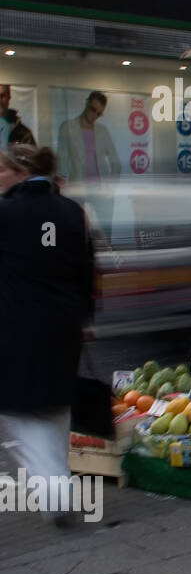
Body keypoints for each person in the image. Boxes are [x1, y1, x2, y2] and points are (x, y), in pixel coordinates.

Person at [0, 144, 96, 525]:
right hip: (64, 324)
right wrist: (86, 317)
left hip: (17, 325)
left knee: (22, 411)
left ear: (20, 173)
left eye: (1, 169)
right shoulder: (71, 212)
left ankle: (56, 492)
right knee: (55, 405)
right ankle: (59, 482)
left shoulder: (6, 213)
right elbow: (87, 270)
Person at [55, 91, 121, 182]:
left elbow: (115, 161)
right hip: (78, 186)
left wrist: (112, 184)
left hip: (101, 187)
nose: (95, 115)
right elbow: (62, 159)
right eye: (93, 110)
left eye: (99, 114)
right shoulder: (67, 127)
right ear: (87, 103)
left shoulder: (103, 130)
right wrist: (64, 185)